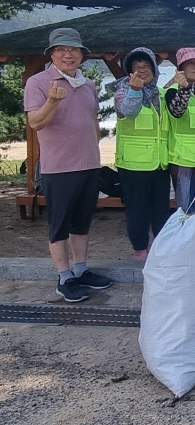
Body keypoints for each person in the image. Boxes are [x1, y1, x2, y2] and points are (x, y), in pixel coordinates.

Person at [24, 28, 112, 302]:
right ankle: (64, 277)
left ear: (82, 56)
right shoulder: (39, 82)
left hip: (89, 165)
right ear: (51, 54)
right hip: (58, 168)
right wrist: (52, 101)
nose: (68, 54)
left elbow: (92, 123)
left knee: (82, 223)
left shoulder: (87, 85)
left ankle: (81, 270)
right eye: (61, 49)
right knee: (59, 225)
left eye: (74, 50)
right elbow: (35, 123)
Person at [108, 47, 171, 262]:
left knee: (161, 210)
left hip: (160, 162)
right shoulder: (123, 91)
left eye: (146, 66)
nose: (142, 70)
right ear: (129, 72)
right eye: (136, 67)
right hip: (134, 164)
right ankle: (140, 249)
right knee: (138, 210)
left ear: (154, 69)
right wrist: (136, 91)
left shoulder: (159, 94)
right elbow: (129, 111)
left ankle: (161, 248)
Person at [165, 47, 195, 212]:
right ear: (180, 69)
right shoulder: (171, 91)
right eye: (190, 63)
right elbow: (177, 111)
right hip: (184, 161)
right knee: (187, 208)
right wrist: (184, 88)